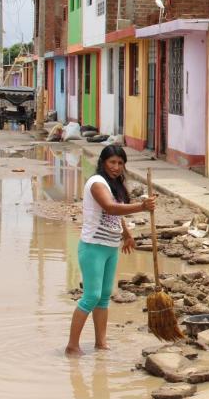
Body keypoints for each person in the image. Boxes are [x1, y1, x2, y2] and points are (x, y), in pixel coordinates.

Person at [65, 145, 156, 356]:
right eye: (112, 162)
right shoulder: (97, 183)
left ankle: (101, 342)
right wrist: (142, 207)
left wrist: (126, 235)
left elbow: (116, 214)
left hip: (110, 247)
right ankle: (72, 346)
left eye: (120, 163)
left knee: (104, 296)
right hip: (93, 247)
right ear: (103, 163)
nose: (116, 167)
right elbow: (110, 207)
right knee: (91, 296)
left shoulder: (115, 184)